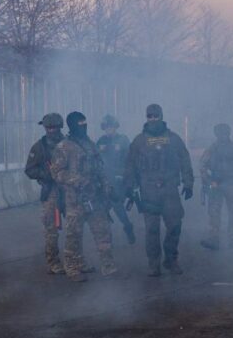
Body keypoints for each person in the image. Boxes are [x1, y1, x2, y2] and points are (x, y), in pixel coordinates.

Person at [124, 103, 195, 277]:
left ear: (161, 117)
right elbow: (130, 165)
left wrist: (188, 182)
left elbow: (185, 159)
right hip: (148, 192)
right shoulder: (139, 141)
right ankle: (154, 264)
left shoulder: (173, 138)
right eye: (150, 116)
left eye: (156, 116)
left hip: (170, 189)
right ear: (146, 117)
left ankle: (171, 259)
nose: (153, 119)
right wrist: (129, 187)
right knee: (152, 230)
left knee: (175, 226)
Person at [48, 112, 118, 282]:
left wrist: (107, 186)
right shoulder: (63, 147)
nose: (84, 126)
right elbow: (56, 172)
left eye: (85, 123)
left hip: (95, 198)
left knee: (103, 231)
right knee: (74, 236)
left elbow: (100, 168)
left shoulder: (90, 144)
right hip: (75, 200)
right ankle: (73, 268)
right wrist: (78, 180)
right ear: (72, 125)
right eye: (80, 124)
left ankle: (108, 265)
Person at [24, 113, 69, 275]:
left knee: (75, 229)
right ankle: (54, 262)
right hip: (51, 192)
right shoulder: (39, 147)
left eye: (53, 127)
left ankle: (75, 260)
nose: (50, 130)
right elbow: (29, 170)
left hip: (69, 191)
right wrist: (47, 174)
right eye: (48, 127)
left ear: (59, 127)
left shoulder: (68, 144)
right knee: (51, 230)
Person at [200, 123, 233, 250]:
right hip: (225, 185)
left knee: (217, 214)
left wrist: (208, 181)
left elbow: (202, 167)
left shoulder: (213, 148)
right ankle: (227, 241)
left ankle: (218, 239)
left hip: (224, 185)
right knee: (227, 214)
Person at [96, 114, 136, 245]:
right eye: (106, 127)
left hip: (120, 181)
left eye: (111, 127)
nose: (109, 129)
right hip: (105, 180)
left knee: (117, 206)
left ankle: (128, 227)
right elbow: (96, 161)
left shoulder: (123, 140)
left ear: (115, 127)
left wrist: (127, 178)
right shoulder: (101, 141)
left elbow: (130, 160)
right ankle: (107, 240)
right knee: (103, 210)